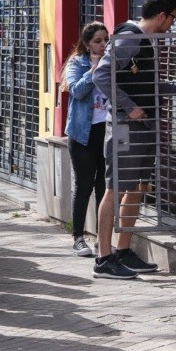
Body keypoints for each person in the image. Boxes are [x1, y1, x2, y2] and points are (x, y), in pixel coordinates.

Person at [91, 0, 176, 279]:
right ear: (162, 15)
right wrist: (129, 107)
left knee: (137, 187)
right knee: (115, 188)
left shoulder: (144, 41)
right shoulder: (131, 38)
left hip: (143, 126)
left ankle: (123, 250)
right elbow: (100, 75)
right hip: (126, 126)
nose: (172, 25)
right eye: (172, 18)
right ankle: (103, 259)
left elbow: (151, 86)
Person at [62, 21, 109, 257]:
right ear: (87, 44)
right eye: (98, 41)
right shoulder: (77, 63)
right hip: (82, 134)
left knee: (104, 186)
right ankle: (78, 237)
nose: (103, 45)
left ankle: (102, 239)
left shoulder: (112, 61)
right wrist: (94, 70)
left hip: (106, 131)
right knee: (84, 185)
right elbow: (77, 91)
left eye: (106, 40)